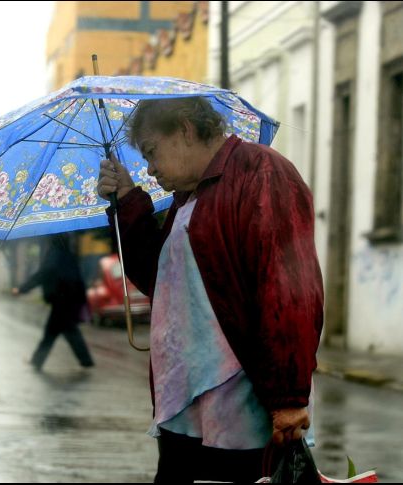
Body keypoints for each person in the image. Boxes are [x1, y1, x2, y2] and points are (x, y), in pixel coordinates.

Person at [96, 97, 323, 483]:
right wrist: (129, 199)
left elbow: (288, 286)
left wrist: (289, 396)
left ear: (184, 129)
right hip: (183, 401)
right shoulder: (189, 197)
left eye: (152, 152)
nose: (150, 169)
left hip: (236, 405)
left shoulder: (261, 172)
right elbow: (161, 279)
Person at [12, 233, 95, 371]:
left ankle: (37, 360)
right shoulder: (69, 255)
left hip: (60, 301)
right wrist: (81, 300)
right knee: (68, 331)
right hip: (69, 300)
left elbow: (43, 274)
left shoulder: (54, 255)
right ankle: (85, 360)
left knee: (52, 333)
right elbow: (78, 278)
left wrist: (21, 289)